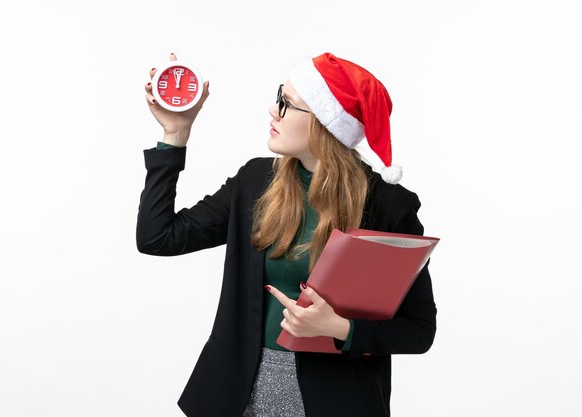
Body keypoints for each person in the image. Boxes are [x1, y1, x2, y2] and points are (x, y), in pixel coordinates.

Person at [136, 52, 437, 417]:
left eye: (288, 104)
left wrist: (341, 328)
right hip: (237, 393)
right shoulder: (255, 182)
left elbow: (419, 330)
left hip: (335, 401)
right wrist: (175, 134)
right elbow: (159, 237)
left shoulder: (389, 206)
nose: (273, 111)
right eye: (280, 96)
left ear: (327, 123)